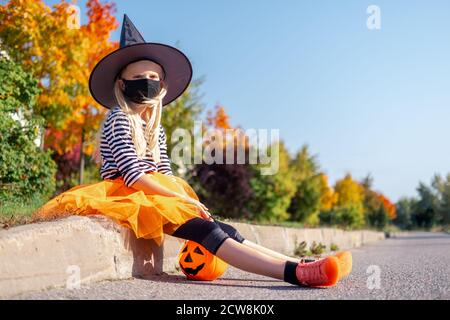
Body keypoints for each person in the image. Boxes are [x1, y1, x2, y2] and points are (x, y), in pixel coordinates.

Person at [33, 14, 352, 288]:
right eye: (139, 78)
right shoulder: (119, 118)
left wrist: (190, 200)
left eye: (153, 78)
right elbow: (134, 175)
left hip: (157, 193)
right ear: (122, 83)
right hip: (129, 195)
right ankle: (293, 274)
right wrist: (181, 200)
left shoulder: (154, 126)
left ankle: (301, 261)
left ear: (161, 87)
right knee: (207, 232)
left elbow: (166, 172)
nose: (147, 83)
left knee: (223, 228)